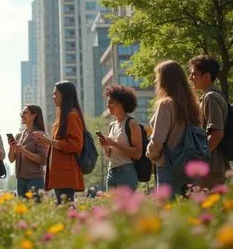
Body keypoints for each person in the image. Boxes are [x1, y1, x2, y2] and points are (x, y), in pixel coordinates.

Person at [146, 60, 202, 197]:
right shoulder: (193, 105)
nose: (155, 80)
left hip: (169, 164)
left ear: (164, 80)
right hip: (191, 163)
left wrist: (150, 154)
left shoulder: (166, 104)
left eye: (157, 77)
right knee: (190, 212)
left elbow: (157, 140)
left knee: (169, 214)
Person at [34, 81, 85, 204]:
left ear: (65, 95)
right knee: (63, 209)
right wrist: (47, 142)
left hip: (66, 174)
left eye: (55, 93)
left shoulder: (71, 115)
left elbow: (76, 144)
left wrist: (50, 141)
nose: (53, 97)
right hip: (59, 173)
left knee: (66, 209)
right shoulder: (61, 116)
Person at [188, 55, 230, 189]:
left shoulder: (211, 97)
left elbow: (217, 133)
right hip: (212, 166)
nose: (190, 78)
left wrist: (200, 161)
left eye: (194, 74)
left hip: (212, 167)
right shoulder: (208, 96)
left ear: (207, 76)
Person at [97, 85, 142, 191]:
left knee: (126, 207)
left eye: (111, 102)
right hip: (111, 171)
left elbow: (138, 153)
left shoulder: (132, 123)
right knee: (111, 207)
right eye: (108, 102)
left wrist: (113, 143)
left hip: (126, 171)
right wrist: (105, 145)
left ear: (122, 103)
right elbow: (109, 154)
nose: (108, 105)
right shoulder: (112, 125)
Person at [8, 105, 48, 198]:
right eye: (21, 113)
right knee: (24, 211)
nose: (22, 115)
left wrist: (23, 150)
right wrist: (11, 147)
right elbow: (11, 159)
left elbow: (42, 160)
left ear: (34, 116)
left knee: (35, 211)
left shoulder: (40, 135)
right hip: (20, 180)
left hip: (35, 180)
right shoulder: (18, 136)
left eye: (25, 113)